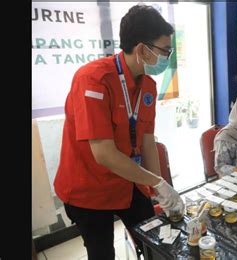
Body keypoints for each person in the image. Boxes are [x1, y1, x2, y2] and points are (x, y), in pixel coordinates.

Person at [54, 5, 184, 260]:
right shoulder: (93, 79)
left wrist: (160, 187)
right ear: (141, 49)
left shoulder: (147, 86)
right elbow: (104, 154)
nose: (167, 57)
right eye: (164, 51)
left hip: (128, 180)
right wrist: (155, 181)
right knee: (102, 253)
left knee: (158, 239)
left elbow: (147, 142)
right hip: (88, 188)